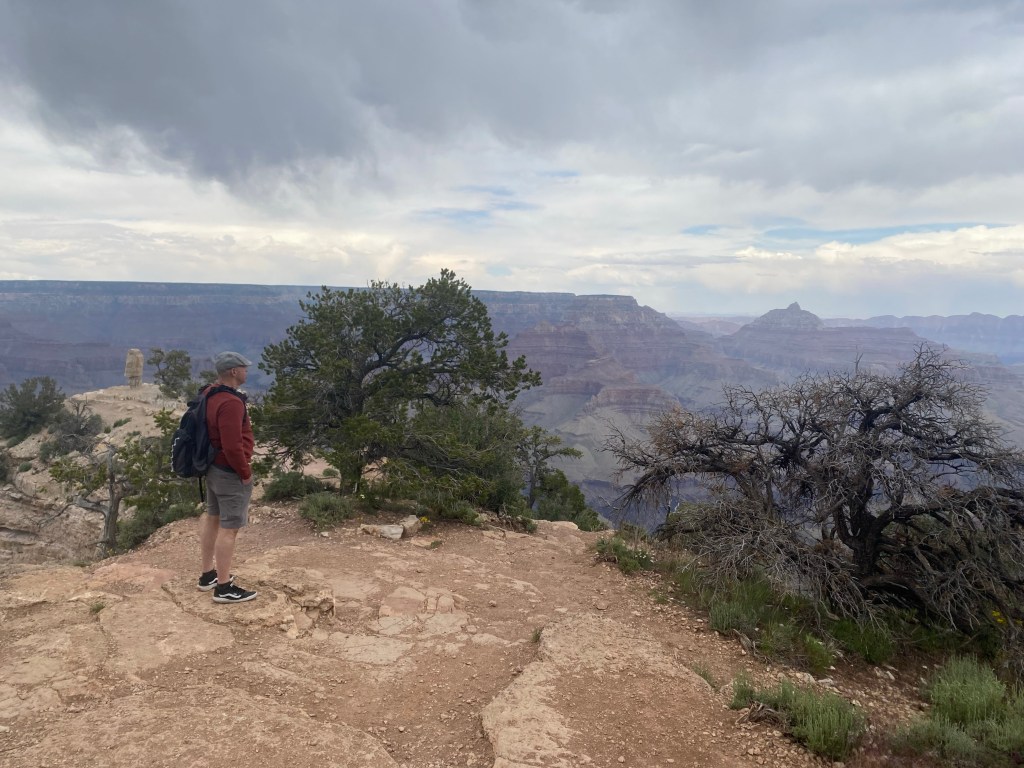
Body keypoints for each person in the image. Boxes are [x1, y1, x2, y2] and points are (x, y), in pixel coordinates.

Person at [197, 351, 258, 603]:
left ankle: (207, 575)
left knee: (213, 518)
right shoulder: (231, 402)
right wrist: (244, 473)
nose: (247, 371)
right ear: (234, 371)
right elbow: (232, 446)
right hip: (229, 471)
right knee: (229, 529)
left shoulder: (209, 393)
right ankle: (223, 588)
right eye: (244, 368)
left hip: (212, 468)